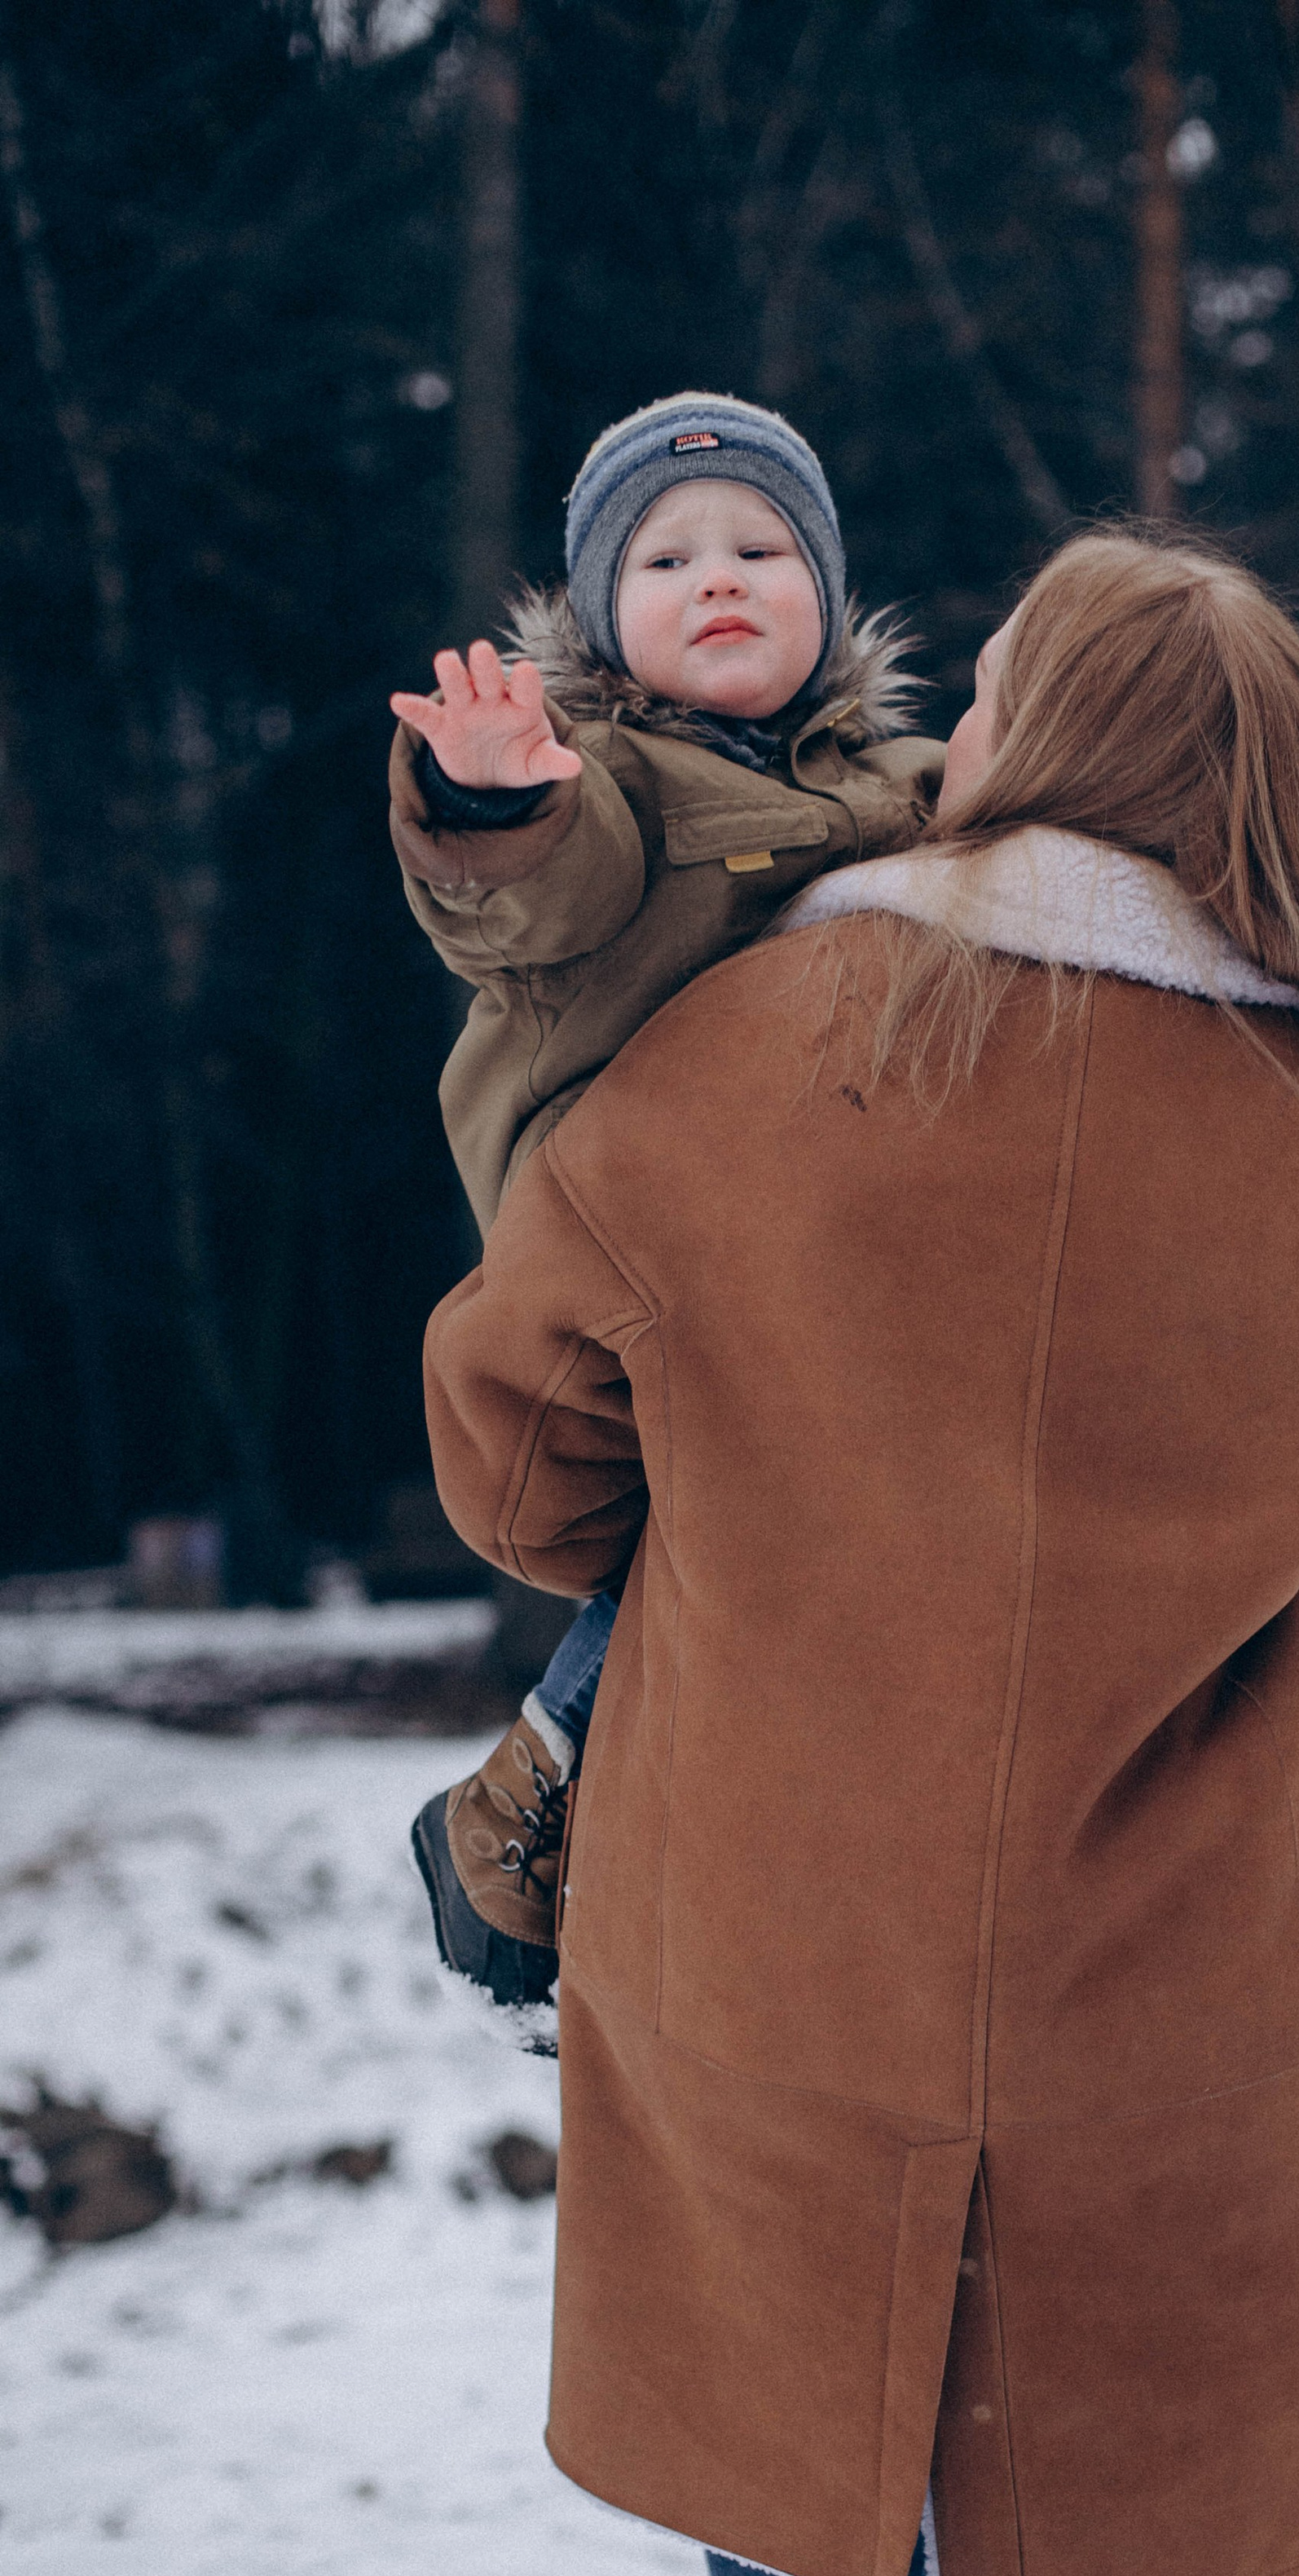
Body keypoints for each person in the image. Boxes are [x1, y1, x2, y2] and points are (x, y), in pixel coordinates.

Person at [421, 527, 1299, 2576]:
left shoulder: (749, 1048)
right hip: (1179, 2060)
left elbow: (517, 1466)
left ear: (1035, 735)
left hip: (766, 1998)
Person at [389, 391, 943, 2004]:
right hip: (636, 1218)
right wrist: (497, 796)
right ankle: (546, 1780)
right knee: (741, 1478)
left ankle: (721, 1856)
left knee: (797, 1516)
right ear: (599, 621)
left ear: (828, 595)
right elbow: (537, 898)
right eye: (669, 557)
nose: (721, 575)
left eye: (764, 548)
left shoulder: (905, 781)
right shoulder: (614, 781)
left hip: (843, 1228)